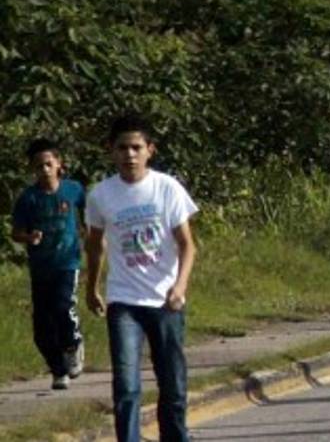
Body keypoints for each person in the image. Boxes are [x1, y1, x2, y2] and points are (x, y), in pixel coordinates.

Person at [85, 115, 198, 442]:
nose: (129, 155)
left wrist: (180, 286)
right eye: (122, 148)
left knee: (172, 383)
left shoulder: (166, 187)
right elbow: (95, 245)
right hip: (124, 301)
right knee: (126, 386)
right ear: (111, 150)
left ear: (150, 150)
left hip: (164, 300)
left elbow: (187, 245)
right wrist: (92, 288)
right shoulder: (101, 195)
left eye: (136, 147)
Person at [11, 139, 86, 390]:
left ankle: (73, 345)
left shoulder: (73, 190)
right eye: (39, 166)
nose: (44, 170)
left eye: (48, 164)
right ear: (32, 169)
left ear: (58, 164)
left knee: (63, 307)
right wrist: (29, 237)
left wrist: (91, 233)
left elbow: (90, 213)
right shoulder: (28, 198)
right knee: (42, 326)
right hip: (41, 267)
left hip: (68, 262)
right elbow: (16, 232)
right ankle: (58, 370)